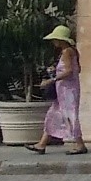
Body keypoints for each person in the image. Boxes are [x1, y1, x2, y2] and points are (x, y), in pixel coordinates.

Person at [26, 24, 85, 155]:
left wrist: (52, 79)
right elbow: (77, 69)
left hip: (67, 90)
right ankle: (42, 144)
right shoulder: (73, 51)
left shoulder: (66, 52)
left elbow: (69, 71)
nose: (53, 42)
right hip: (67, 90)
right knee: (54, 115)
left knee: (70, 116)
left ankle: (80, 144)